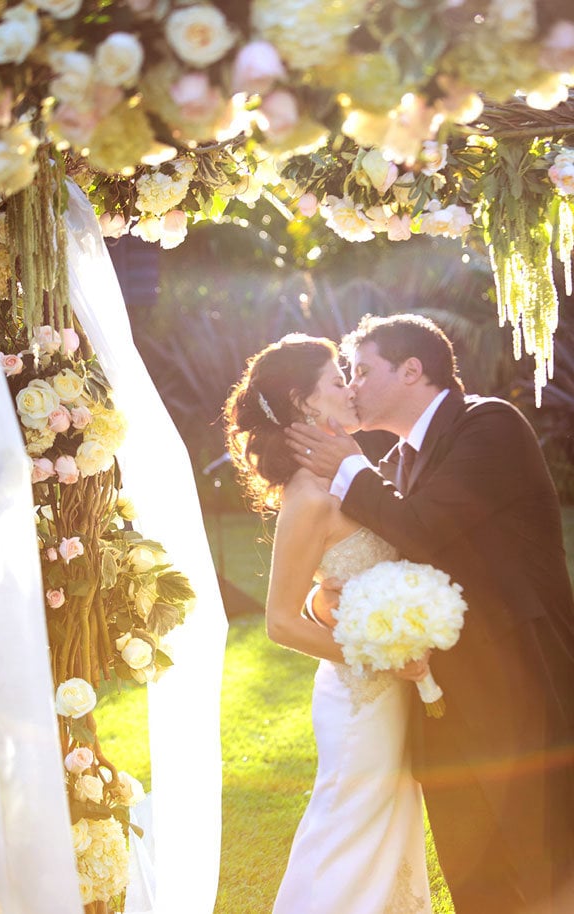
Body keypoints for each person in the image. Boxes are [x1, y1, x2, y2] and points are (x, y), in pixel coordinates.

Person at [285, 313, 574, 914]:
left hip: (519, 690)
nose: (352, 385)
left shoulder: (489, 425)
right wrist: (323, 598)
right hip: (444, 705)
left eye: (362, 370)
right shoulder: (400, 462)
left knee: (546, 863)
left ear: (411, 369)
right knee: (477, 880)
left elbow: (425, 528)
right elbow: (380, 552)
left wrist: (346, 465)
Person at [224, 333, 433, 914]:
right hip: (359, 695)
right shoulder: (309, 495)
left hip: (393, 690)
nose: (352, 389)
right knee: (344, 829)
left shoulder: (351, 467)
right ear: (306, 403)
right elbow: (279, 623)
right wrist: (381, 655)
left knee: (389, 827)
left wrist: (330, 598)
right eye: (339, 381)